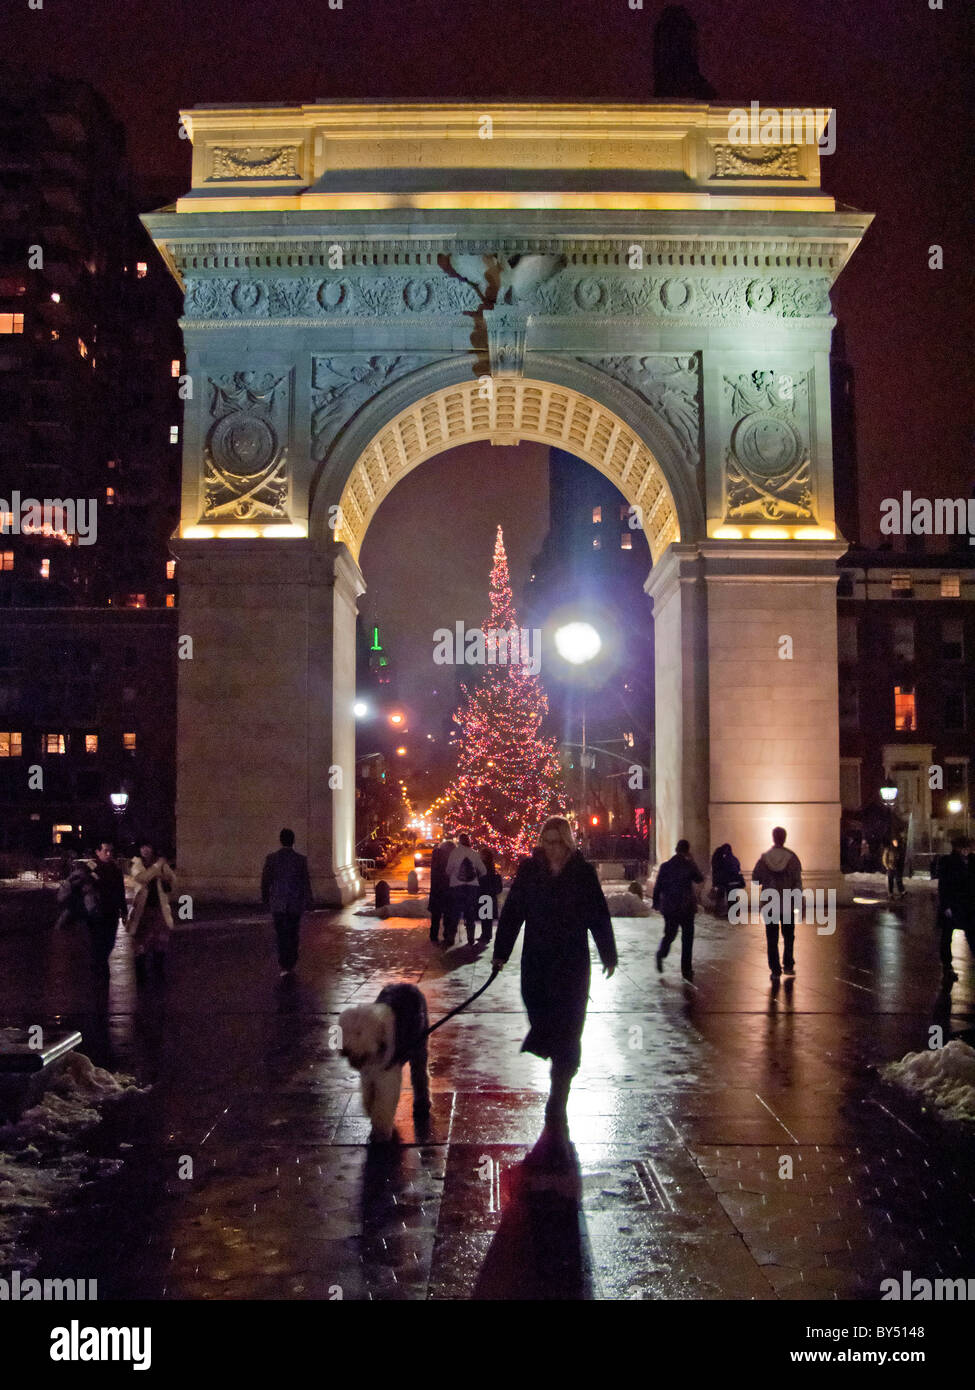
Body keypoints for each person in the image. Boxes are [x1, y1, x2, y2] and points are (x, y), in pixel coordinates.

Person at [491, 817, 617, 1150]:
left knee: (571, 1030)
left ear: (568, 842)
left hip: (572, 964)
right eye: (546, 841)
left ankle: (558, 1094)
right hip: (537, 962)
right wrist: (501, 951)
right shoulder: (530, 872)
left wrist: (608, 953)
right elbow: (513, 911)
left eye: (557, 841)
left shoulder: (583, 873)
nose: (551, 848)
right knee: (544, 1019)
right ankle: (556, 1052)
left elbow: (598, 914)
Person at [261, 828, 314, 977]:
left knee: (281, 934)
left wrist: (265, 898)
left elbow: (266, 881)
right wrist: (309, 900)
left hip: (278, 903)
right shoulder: (300, 860)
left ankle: (283, 962)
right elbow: (305, 882)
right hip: (294, 903)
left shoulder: (271, 859)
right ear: (293, 841)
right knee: (293, 932)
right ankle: (291, 961)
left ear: (280, 840)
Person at [752, 827, 803, 981]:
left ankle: (775, 969)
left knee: (771, 937)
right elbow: (797, 882)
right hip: (787, 902)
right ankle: (788, 964)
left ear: (773, 838)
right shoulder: (792, 858)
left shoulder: (764, 858)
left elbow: (755, 879)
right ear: (784, 838)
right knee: (788, 936)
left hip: (769, 903)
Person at [653, 839, 704, 980]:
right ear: (687, 851)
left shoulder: (666, 866)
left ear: (676, 849)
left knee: (670, 934)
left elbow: (658, 885)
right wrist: (692, 861)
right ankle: (686, 970)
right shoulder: (689, 865)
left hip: (670, 906)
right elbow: (699, 879)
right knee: (687, 939)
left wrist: (656, 901)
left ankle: (661, 953)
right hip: (686, 906)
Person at [127, 841, 177, 982]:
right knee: (141, 941)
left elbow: (172, 878)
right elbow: (142, 878)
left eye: (148, 846)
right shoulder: (136, 863)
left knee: (160, 941)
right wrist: (157, 867)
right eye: (142, 847)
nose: (145, 850)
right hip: (142, 909)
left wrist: (162, 876)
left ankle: (158, 971)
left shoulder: (161, 864)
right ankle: (141, 974)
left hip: (159, 908)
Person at [935, 837, 975, 983]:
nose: (968, 850)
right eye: (965, 848)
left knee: (972, 935)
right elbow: (943, 886)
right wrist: (946, 906)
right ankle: (947, 968)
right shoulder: (948, 862)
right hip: (952, 906)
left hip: (967, 907)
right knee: (947, 937)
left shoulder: (971, 861)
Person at [86, 841, 127, 976]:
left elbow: (120, 891)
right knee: (98, 940)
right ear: (98, 852)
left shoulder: (115, 869)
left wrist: (124, 910)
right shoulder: (91, 868)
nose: (109, 854)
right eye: (105, 851)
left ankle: (101, 966)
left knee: (109, 940)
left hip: (112, 911)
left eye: (110, 851)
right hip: (96, 911)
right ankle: (98, 967)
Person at [444, 833, 485, 947]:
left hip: (456, 887)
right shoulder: (474, 853)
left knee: (455, 912)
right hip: (472, 888)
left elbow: (448, 870)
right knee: (470, 912)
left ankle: (451, 937)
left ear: (459, 841)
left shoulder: (454, 853)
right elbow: (483, 871)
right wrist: (475, 876)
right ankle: (470, 937)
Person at [427, 837, 454, 944]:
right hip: (446, 891)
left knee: (436, 915)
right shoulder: (447, 860)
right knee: (447, 915)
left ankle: (434, 935)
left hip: (436, 891)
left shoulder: (436, 857)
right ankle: (446, 935)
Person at [475, 847, 504, 945]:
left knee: (485, 916)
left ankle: (485, 935)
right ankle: (487, 934)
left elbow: (481, 878)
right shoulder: (491, 866)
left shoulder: (483, 866)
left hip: (484, 892)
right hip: (490, 894)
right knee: (487, 916)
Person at [710, 842, 744, 917]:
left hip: (728, 881)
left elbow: (722, 871)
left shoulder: (723, 860)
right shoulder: (735, 859)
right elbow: (738, 869)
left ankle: (728, 912)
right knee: (733, 897)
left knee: (728, 897)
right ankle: (734, 912)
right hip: (736, 881)